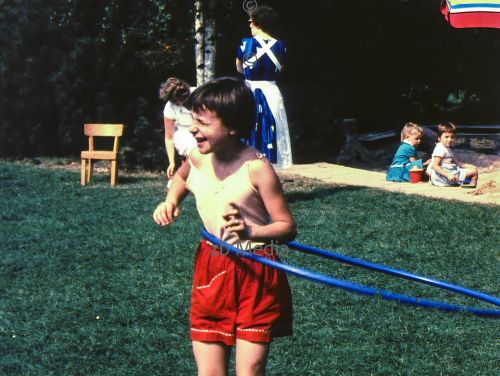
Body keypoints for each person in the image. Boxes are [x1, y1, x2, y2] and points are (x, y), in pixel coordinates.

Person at [153, 77, 296, 375]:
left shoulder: (257, 168)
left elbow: (286, 227)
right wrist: (171, 202)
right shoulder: (196, 159)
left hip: (255, 270)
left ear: (232, 126)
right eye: (193, 120)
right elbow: (180, 177)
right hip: (211, 265)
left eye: (203, 123)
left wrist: (251, 231)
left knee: (251, 370)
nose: (193, 129)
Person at [236, 5, 293, 169]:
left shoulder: (245, 44)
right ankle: (270, 169)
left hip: (249, 91)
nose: (249, 24)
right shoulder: (281, 46)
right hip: (271, 91)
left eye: (250, 21)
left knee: (247, 129)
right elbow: (280, 69)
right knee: (272, 131)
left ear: (255, 22)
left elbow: (239, 68)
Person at [159, 77, 197, 179]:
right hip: (184, 133)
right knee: (192, 145)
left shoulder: (199, 93)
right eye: (174, 102)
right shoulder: (169, 107)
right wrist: (172, 163)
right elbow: (169, 138)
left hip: (202, 129)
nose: (178, 104)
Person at [427, 122, 478, 187]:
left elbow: (457, 162)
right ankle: (469, 186)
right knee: (474, 173)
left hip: (450, 174)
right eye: (446, 137)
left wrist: (467, 166)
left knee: (472, 170)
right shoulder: (440, 149)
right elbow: (435, 166)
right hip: (443, 177)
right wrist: (448, 175)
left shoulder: (448, 149)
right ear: (439, 138)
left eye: (452, 137)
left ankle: (464, 183)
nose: (450, 139)